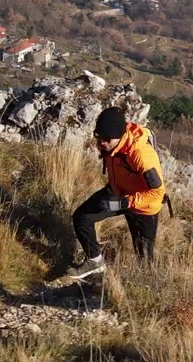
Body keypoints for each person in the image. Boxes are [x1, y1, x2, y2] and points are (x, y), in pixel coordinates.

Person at [68, 106, 166, 279]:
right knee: (82, 217)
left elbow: (157, 193)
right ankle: (95, 262)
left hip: (143, 207)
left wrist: (126, 203)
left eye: (106, 139)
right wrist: (117, 197)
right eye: (99, 137)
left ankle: (148, 288)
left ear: (120, 136)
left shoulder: (141, 155)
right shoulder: (109, 144)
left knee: (144, 256)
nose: (102, 143)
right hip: (118, 193)